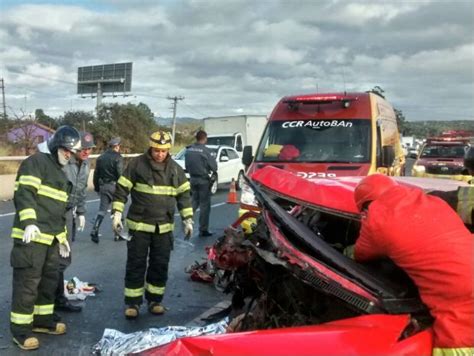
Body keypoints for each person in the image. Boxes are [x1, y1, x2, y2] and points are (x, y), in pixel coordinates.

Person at [353, 174, 473, 356]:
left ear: (365, 207)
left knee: (456, 345)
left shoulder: (376, 219)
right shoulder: (433, 200)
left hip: (458, 292)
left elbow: (360, 254)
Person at [9, 126, 81, 350]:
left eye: (72, 151)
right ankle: (20, 331)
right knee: (28, 284)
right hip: (32, 238)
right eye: (66, 150)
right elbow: (25, 194)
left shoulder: (60, 172)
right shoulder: (36, 163)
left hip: (51, 239)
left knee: (48, 282)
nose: (69, 154)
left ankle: (42, 320)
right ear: (56, 146)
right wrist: (29, 221)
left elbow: (56, 211)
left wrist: (62, 237)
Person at [111, 130, 193, 319]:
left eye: (163, 151)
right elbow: (122, 189)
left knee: (160, 264)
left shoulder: (175, 169)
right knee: (136, 264)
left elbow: (184, 196)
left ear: (168, 150)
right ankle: (133, 303)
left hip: (163, 228)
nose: (160, 154)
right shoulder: (137, 165)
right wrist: (116, 214)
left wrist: (188, 219)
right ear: (151, 148)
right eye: (156, 150)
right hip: (140, 226)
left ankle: (155, 300)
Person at [55, 132, 95, 313]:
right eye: (83, 148)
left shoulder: (85, 165)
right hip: (56, 214)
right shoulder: (63, 163)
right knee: (57, 258)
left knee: (63, 257)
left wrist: (80, 212)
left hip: (69, 213)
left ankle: (56, 298)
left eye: (89, 149)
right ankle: (55, 300)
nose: (86, 152)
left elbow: (81, 191)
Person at [90, 137, 123, 243]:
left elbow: (96, 174)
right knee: (117, 210)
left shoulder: (100, 158)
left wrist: (96, 187)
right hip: (115, 186)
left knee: (102, 210)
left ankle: (95, 229)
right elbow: (120, 173)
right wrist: (123, 187)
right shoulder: (118, 157)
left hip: (104, 186)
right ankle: (118, 234)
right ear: (117, 146)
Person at [184, 130, 217, 237]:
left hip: (192, 179)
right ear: (205, 138)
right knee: (204, 205)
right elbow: (214, 167)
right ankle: (203, 229)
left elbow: (187, 166)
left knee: (194, 201)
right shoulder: (206, 151)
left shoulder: (189, 150)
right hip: (203, 180)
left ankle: (186, 219)